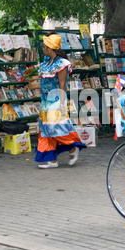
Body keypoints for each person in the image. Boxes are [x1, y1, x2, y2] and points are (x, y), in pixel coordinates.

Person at [35, 33, 86, 168]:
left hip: (56, 100)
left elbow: (62, 85)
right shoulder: (46, 62)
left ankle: (72, 148)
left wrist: (62, 104)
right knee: (46, 129)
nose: (43, 49)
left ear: (51, 49)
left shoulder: (61, 64)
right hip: (46, 100)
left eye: (45, 47)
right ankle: (52, 160)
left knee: (55, 128)